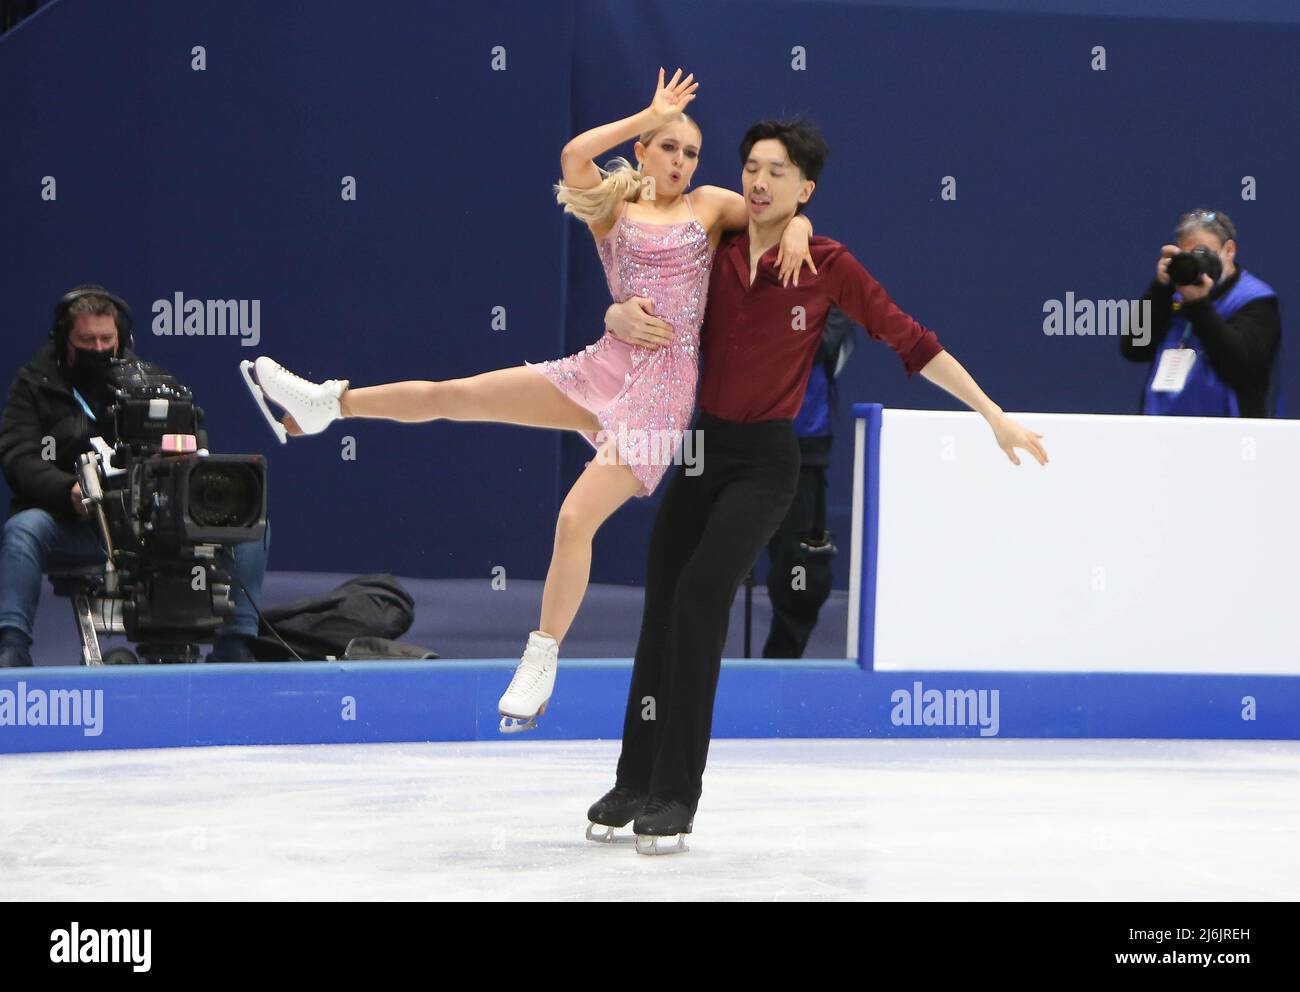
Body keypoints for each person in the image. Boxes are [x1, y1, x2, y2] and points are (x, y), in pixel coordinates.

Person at [240, 69, 817, 731]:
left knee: (575, 521)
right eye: (668, 147)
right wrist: (648, 114)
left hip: (660, 394)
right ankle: (327, 404)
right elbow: (574, 156)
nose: (681, 161)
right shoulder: (613, 207)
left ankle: (541, 658)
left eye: (690, 151)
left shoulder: (711, 207)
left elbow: (776, 212)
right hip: (603, 367)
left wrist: (796, 228)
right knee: (452, 395)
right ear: (642, 152)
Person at [589, 118, 1049, 854]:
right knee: (662, 605)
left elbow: (910, 339)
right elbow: (643, 282)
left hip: (771, 460)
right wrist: (615, 311)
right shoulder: (714, 246)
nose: (758, 181)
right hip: (704, 445)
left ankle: (676, 792)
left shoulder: (828, 264)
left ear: (805, 189)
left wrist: (992, 414)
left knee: (702, 595)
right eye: (750, 168)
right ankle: (632, 779)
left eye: (777, 172)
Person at [0, 285, 271, 667]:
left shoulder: (149, 385)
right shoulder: (34, 386)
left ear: (121, 338)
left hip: (146, 519)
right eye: (86, 340)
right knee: (23, 530)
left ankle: (236, 645)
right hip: (71, 519)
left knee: (250, 525)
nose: (97, 347)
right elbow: (19, 458)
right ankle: (12, 646)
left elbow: (193, 443)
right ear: (64, 340)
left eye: (106, 339)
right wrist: (68, 490)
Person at [1122, 209, 1281, 418]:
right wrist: (1159, 288)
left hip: (1227, 434)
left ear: (1229, 250)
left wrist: (1198, 304)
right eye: (1188, 256)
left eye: (1203, 253)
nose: (1197, 265)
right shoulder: (1172, 294)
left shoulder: (1256, 299)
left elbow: (1241, 366)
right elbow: (1133, 349)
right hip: (1161, 428)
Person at [762, 305, 855, 659]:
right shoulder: (735, 266)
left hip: (803, 448)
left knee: (802, 577)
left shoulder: (829, 280)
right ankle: (695, 676)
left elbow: (815, 346)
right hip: (732, 439)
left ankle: (778, 669)